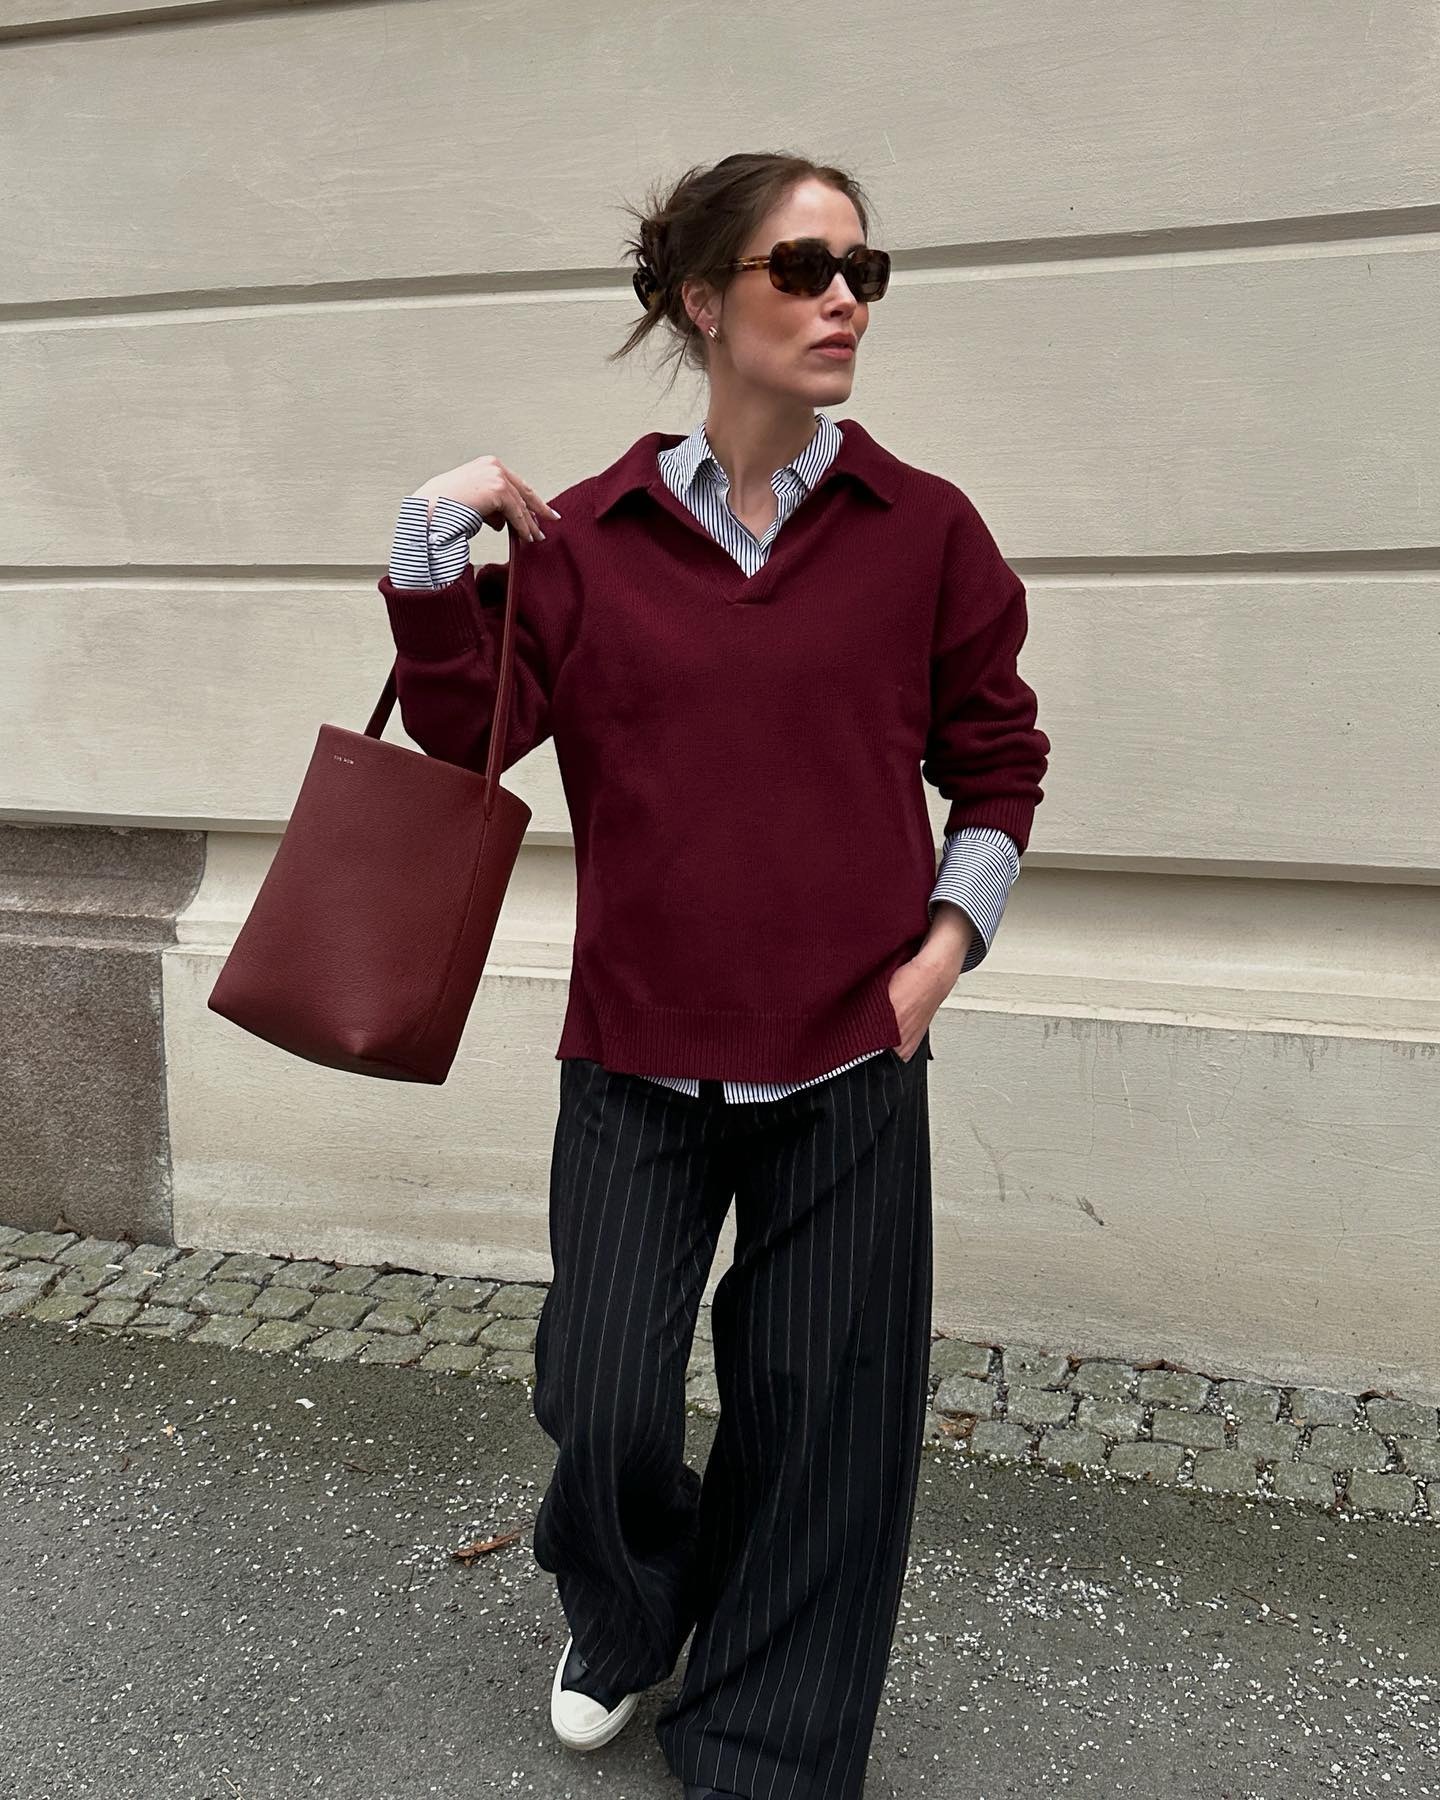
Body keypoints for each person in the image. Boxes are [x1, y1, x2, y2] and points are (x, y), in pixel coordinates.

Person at [378, 150, 1049, 1800]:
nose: (844, 301)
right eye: (804, 268)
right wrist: (428, 560)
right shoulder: (591, 540)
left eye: (863, 272)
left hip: (846, 1063)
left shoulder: (927, 533)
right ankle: (631, 1608)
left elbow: (1002, 772)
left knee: (822, 1425)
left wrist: (936, 963)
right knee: (599, 1402)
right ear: (702, 301)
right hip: (633, 1058)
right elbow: (477, 737)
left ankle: (762, 1740)